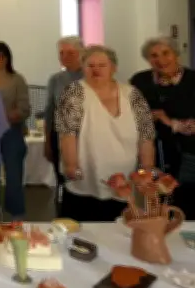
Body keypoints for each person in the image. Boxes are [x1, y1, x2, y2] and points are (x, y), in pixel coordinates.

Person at [56, 45, 155, 222]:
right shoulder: (75, 92)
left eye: (102, 65)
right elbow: (67, 133)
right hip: (87, 172)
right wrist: (71, 165)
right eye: (90, 65)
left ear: (113, 68)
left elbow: (145, 134)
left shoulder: (132, 94)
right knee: (85, 227)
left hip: (124, 174)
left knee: (119, 229)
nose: (96, 70)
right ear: (83, 68)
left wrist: (146, 168)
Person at [130, 36, 195, 220]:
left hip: (192, 155)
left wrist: (173, 123)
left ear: (176, 54)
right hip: (153, 155)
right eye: (154, 55)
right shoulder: (139, 81)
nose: (160, 60)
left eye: (166, 53)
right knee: (153, 209)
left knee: (190, 209)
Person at [0, 42, 31, 220]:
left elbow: (24, 109)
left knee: (13, 176)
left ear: (8, 58)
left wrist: (2, 116)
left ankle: (16, 216)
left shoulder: (17, 79)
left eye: (2, 56)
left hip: (11, 133)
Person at [43, 36, 84, 206]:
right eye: (61, 53)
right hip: (58, 136)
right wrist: (47, 141)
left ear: (81, 53)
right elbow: (49, 111)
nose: (65, 56)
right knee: (63, 177)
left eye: (71, 53)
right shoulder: (55, 80)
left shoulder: (89, 76)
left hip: (84, 136)